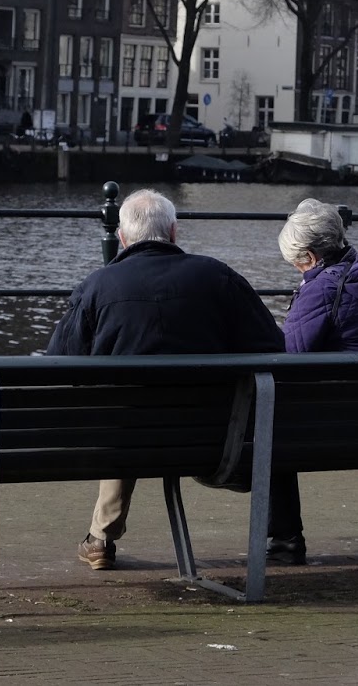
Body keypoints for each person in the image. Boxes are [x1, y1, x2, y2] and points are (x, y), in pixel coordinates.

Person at [46, 188, 283, 570]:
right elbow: (272, 346)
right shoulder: (218, 276)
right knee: (149, 410)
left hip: (122, 443)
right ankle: (284, 538)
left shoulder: (97, 286)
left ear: (122, 238)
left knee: (125, 411)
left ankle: (101, 538)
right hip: (214, 442)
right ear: (173, 232)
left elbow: (59, 364)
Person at [269, 197, 358, 563]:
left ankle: (284, 541)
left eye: (297, 264)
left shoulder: (320, 289)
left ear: (310, 257)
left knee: (267, 422)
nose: (297, 271)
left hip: (337, 431)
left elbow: (288, 360)